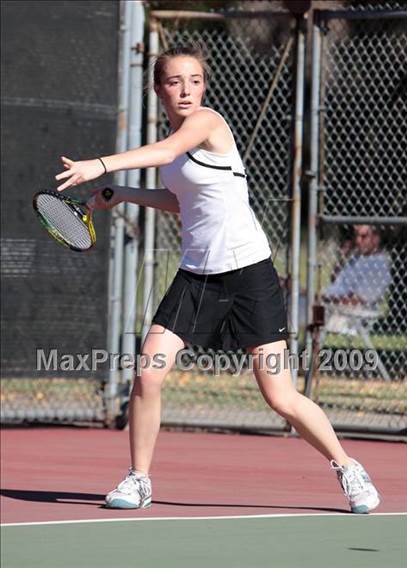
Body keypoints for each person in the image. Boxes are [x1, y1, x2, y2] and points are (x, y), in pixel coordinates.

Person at [55, 44, 380, 514]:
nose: (186, 90)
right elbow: (183, 201)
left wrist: (100, 165)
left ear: (204, 86)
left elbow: (165, 149)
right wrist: (123, 193)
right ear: (158, 89)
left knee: (280, 396)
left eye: (195, 80)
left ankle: (348, 467)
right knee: (148, 374)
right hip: (196, 278)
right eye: (175, 81)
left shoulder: (207, 123)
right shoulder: (175, 152)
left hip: (249, 274)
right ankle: (139, 478)